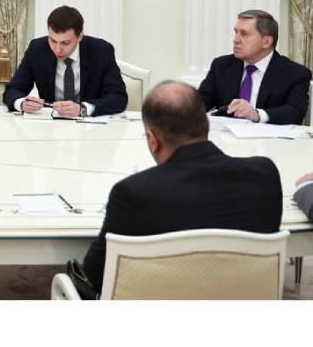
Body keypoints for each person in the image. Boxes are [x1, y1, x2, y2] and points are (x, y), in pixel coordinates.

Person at [79, 80, 282, 294]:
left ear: (152, 140)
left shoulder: (135, 192)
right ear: (208, 124)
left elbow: (98, 273)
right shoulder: (264, 174)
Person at [2, 5, 127, 117]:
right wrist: (22, 104)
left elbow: (119, 98)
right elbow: (12, 90)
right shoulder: (37, 49)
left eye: (65, 43)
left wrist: (82, 109)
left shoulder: (101, 51)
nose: (57, 49)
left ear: (80, 36)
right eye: (52, 41)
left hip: (91, 128)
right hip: (50, 127)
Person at [198, 9, 311, 125]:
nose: (235, 40)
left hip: (270, 140)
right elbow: (201, 102)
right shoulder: (222, 65)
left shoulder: (295, 73)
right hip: (225, 138)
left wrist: (257, 114)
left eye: (244, 34)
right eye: (235, 32)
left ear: (266, 42)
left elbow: (295, 112)